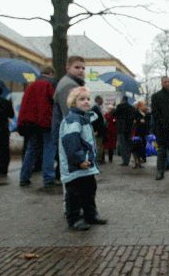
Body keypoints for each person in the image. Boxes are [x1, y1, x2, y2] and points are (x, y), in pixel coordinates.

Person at [59, 86, 107, 231]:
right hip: (76, 166)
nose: (86, 102)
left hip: (86, 165)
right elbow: (71, 142)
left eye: (87, 99)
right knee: (74, 193)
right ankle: (74, 219)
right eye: (81, 99)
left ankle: (90, 214)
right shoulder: (73, 120)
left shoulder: (84, 119)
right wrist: (79, 160)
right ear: (73, 102)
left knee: (89, 189)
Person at [18, 67, 56, 187]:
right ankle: (48, 178)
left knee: (31, 149)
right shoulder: (49, 85)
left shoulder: (31, 86)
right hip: (45, 122)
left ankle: (24, 177)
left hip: (30, 123)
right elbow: (54, 101)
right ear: (51, 74)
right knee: (48, 148)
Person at [52, 56, 87, 180]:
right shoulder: (69, 85)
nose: (81, 70)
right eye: (77, 67)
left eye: (83, 68)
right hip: (69, 132)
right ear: (68, 68)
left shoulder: (69, 83)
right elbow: (70, 114)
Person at [115, 96, 136, 166]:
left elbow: (115, 115)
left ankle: (125, 161)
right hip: (129, 129)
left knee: (122, 145)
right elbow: (134, 118)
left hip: (121, 129)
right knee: (128, 144)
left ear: (122, 100)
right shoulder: (131, 107)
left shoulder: (119, 106)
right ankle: (128, 159)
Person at [132, 100, 151, 168]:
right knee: (135, 147)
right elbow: (134, 121)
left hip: (144, 133)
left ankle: (139, 163)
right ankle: (136, 163)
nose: (144, 106)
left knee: (141, 148)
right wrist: (139, 120)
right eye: (143, 105)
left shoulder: (147, 113)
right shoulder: (136, 112)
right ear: (139, 106)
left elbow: (148, 121)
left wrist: (142, 120)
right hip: (137, 133)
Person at [91, 95, 106, 164]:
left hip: (101, 130)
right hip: (98, 130)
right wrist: (95, 130)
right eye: (101, 99)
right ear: (97, 100)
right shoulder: (95, 108)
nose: (102, 101)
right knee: (98, 145)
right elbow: (94, 120)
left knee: (100, 145)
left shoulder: (98, 108)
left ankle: (100, 158)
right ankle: (98, 159)